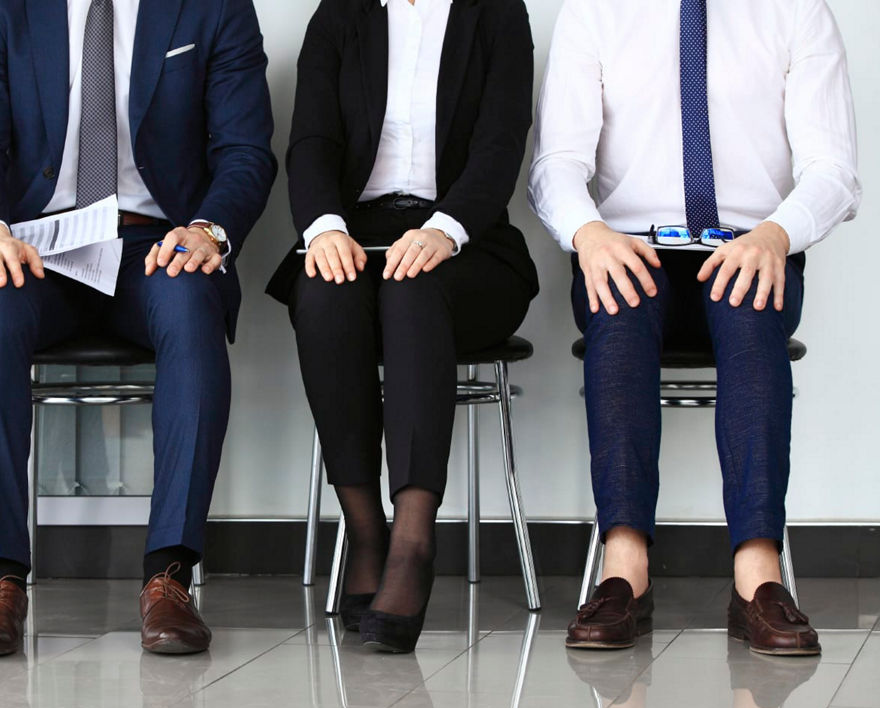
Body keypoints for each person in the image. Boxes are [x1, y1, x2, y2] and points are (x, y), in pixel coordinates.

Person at [0, 0, 276, 656]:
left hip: (155, 241)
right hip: (40, 247)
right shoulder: (0, 8)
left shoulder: (213, 8)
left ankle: (169, 577)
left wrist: (206, 230)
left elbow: (245, 152)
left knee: (190, 302)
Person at [529, 0, 861, 655]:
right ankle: (623, 570)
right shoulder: (594, 11)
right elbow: (556, 161)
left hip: (750, 245)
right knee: (619, 318)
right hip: (628, 244)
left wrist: (775, 235)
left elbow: (833, 169)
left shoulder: (797, 11)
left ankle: (757, 578)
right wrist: (589, 235)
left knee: (748, 316)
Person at [267, 0, 538, 653]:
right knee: (326, 295)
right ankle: (366, 531)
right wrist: (325, 229)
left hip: (469, 246)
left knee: (413, 287)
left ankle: (413, 540)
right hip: (357, 237)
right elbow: (311, 143)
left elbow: (502, 143)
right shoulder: (340, 15)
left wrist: (445, 230)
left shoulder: (497, 12)